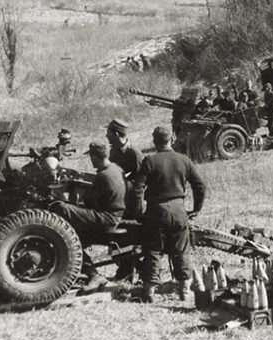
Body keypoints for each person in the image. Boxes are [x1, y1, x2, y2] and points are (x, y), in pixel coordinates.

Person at [130, 126, 207, 302]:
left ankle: (149, 292)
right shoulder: (184, 160)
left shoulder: (150, 161)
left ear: (155, 141)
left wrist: (138, 213)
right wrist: (196, 209)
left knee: (153, 250)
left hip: (156, 211)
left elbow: (137, 190)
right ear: (171, 139)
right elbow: (200, 186)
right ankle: (184, 291)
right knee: (181, 251)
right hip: (179, 210)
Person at [49, 143, 125, 291]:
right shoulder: (116, 169)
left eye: (91, 157)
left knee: (61, 209)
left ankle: (93, 275)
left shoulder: (103, 176)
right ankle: (90, 273)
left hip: (107, 218)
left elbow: (89, 201)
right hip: (115, 213)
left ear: (95, 157)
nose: (91, 160)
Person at [106, 118, 146, 281]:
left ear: (116, 134)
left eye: (108, 133)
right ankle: (125, 270)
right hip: (118, 202)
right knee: (118, 239)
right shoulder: (114, 151)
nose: (106, 136)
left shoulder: (134, 154)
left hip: (132, 204)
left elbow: (141, 183)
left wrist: (137, 212)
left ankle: (140, 271)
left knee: (131, 239)